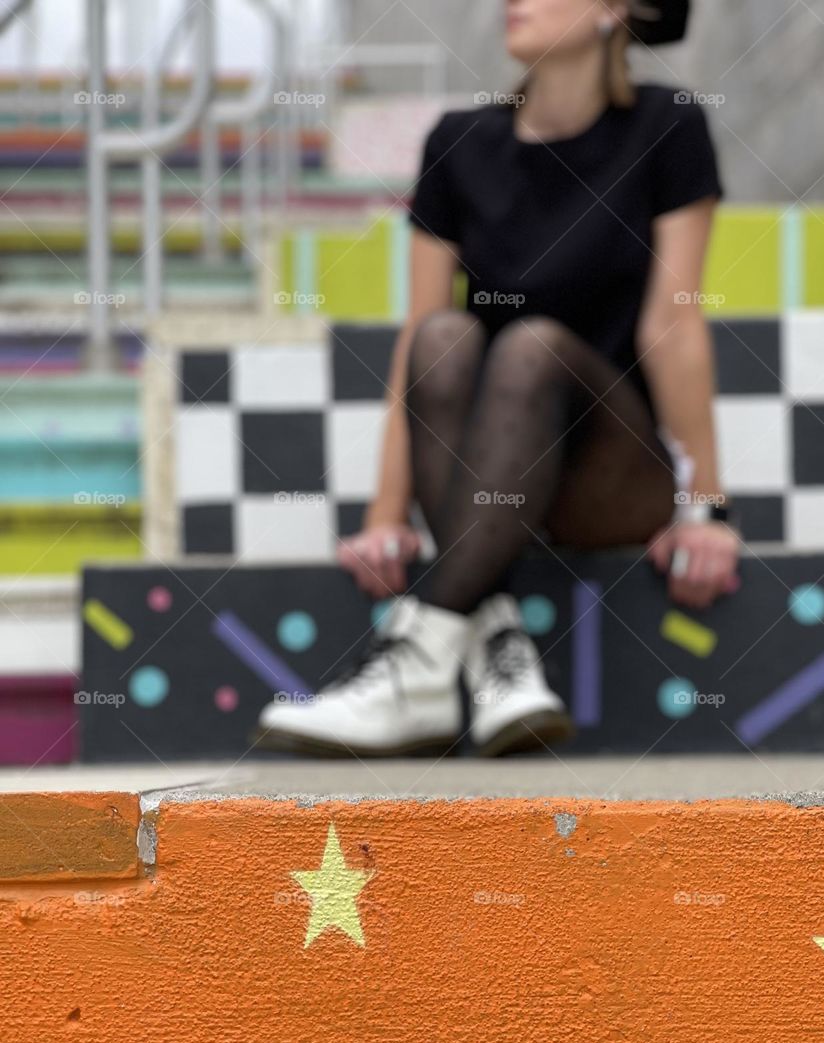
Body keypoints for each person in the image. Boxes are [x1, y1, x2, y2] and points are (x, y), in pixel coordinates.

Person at [256, 0, 740, 759]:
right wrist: (386, 512)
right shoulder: (459, 142)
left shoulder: (667, 124)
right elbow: (417, 337)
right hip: (486, 470)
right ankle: (494, 642)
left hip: (611, 471)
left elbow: (671, 325)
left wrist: (705, 507)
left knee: (531, 348)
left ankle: (419, 659)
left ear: (615, 10)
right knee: (444, 336)